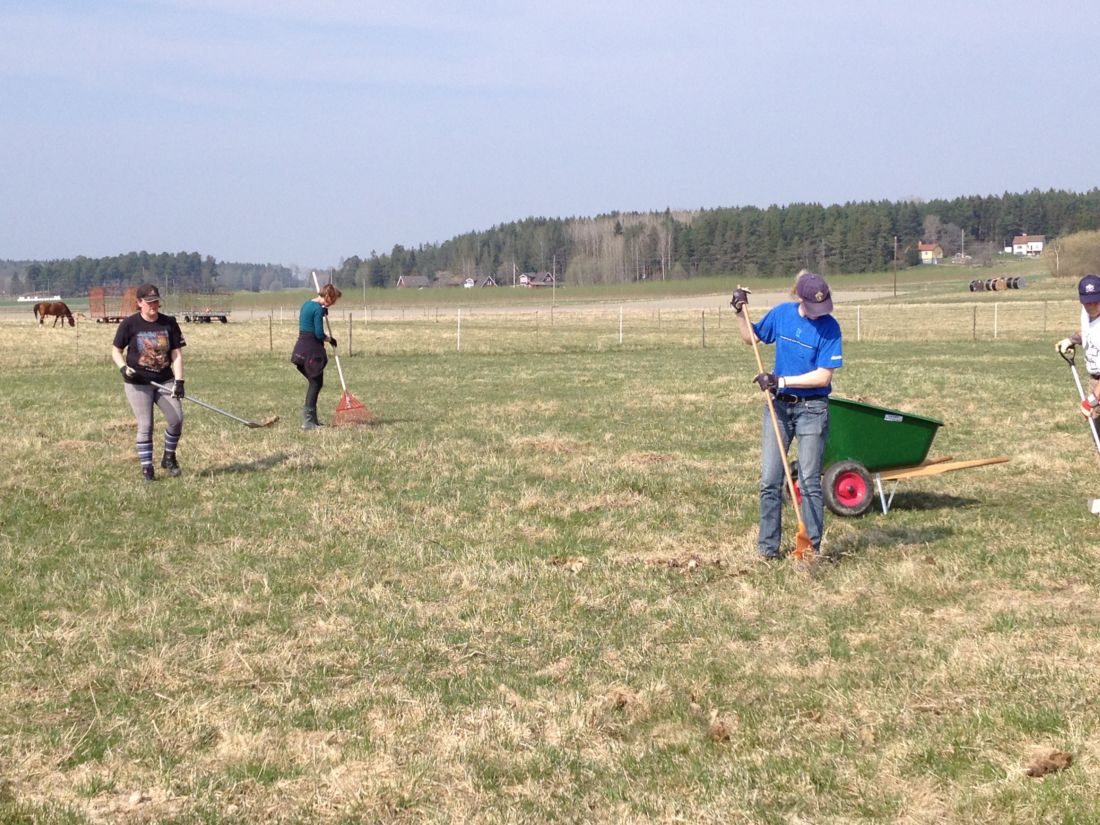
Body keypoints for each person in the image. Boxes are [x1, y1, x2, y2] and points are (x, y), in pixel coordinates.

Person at [732, 270, 843, 559]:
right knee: (770, 480)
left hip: (812, 410)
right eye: (814, 308)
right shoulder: (782, 314)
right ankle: (768, 549)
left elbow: (823, 377)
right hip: (778, 408)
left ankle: (810, 550)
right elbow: (752, 339)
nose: (820, 314)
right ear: (800, 299)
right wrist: (739, 313)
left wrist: (781, 381)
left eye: (824, 308)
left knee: (808, 482)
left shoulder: (831, 328)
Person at [111, 283, 186, 481]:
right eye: (149, 302)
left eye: (156, 302)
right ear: (139, 303)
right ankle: (147, 468)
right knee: (146, 424)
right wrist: (123, 368)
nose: (153, 306)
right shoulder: (130, 324)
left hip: (164, 379)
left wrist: (179, 381)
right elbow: (116, 350)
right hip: (137, 382)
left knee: (176, 419)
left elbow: (176, 354)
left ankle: (169, 457)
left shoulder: (169, 323)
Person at [291, 282, 341, 429]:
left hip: (300, 349)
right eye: (333, 300)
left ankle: (312, 420)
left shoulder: (307, 304)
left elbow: (310, 318)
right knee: (315, 383)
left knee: (315, 383)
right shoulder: (318, 310)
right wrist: (330, 339)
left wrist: (322, 311)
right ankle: (308, 422)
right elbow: (319, 334)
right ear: (328, 297)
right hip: (311, 351)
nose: (333, 304)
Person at [1056, 273, 1100, 417]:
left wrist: (1091, 401)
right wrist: (1071, 340)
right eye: (1088, 302)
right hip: (1095, 380)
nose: (1091, 306)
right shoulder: (1086, 313)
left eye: (1096, 301)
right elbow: (1089, 333)